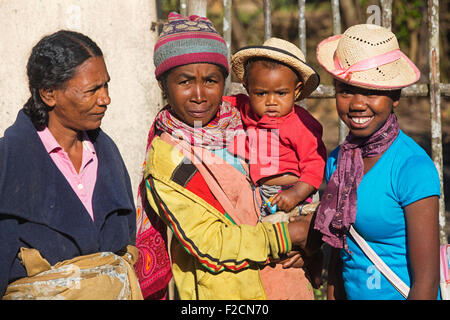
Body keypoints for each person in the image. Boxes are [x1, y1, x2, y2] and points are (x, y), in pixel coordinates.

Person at [134, 12, 322, 300]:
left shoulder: (245, 119)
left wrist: (306, 248)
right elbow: (211, 243)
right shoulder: (168, 158)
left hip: (287, 286)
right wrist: (293, 235)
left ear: (225, 83)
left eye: (210, 80)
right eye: (184, 82)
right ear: (163, 85)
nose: (199, 94)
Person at [0, 30, 141, 300]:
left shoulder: (107, 154)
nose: (105, 99)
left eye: (106, 86)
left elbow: (126, 243)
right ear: (49, 93)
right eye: (92, 90)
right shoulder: (8, 163)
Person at [314, 24, 441, 300]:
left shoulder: (412, 168)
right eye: (346, 90)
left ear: (395, 96)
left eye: (371, 92)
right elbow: (340, 255)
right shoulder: (338, 161)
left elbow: (427, 285)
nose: (357, 104)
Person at [230, 37, 326, 217]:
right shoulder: (245, 108)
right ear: (247, 88)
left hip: (294, 191)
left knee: (293, 235)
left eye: (281, 93)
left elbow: (314, 165)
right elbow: (215, 103)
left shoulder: (300, 123)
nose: (271, 102)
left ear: (296, 90)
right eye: (261, 93)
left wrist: (296, 194)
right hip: (258, 192)